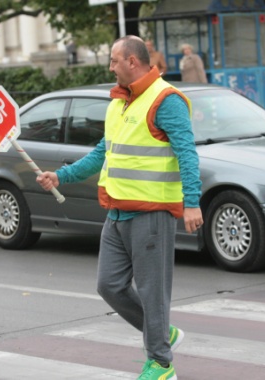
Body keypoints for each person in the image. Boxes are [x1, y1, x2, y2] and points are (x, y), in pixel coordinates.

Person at [37, 35, 203, 379]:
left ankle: (161, 364)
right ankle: (162, 333)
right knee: (108, 285)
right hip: (116, 212)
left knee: (153, 293)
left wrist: (192, 203)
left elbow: (187, 153)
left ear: (132, 62)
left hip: (152, 214)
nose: (110, 67)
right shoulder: (118, 103)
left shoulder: (165, 100)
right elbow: (103, 153)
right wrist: (61, 177)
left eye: (114, 60)